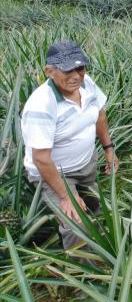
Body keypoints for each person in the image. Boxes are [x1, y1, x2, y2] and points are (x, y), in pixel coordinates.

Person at [20, 40, 119, 253]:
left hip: (85, 164)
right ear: (49, 71)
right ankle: (85, 279)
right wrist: (66, 195)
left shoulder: (87, 84)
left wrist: (108, 148)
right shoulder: (41, 106)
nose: (76, 75)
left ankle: (104, 247)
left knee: (97, 207)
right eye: (67, 70)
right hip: (53, 172)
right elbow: (41, 159)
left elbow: (100, 115)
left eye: (80, 68)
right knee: (77, 223)